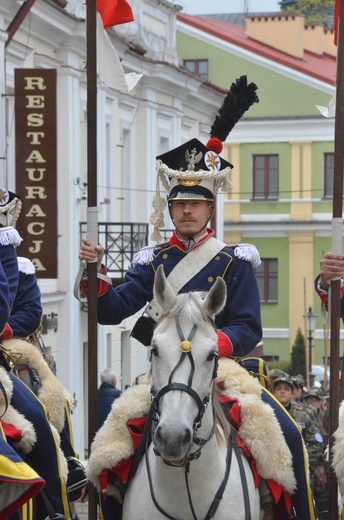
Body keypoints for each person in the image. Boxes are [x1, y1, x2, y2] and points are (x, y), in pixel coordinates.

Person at [78, 78, 316, 519]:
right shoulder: (154, 260)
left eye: (196, 203)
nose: (187, 211)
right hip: (164, 374)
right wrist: (96, 276)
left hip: (223, 373)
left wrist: (210, 347)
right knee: (107, 452)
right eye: (179, 203)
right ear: (169, 208)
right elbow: (112, 309)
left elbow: (248, 328)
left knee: (285, 440)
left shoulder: (234, 261)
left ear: (210, 208)